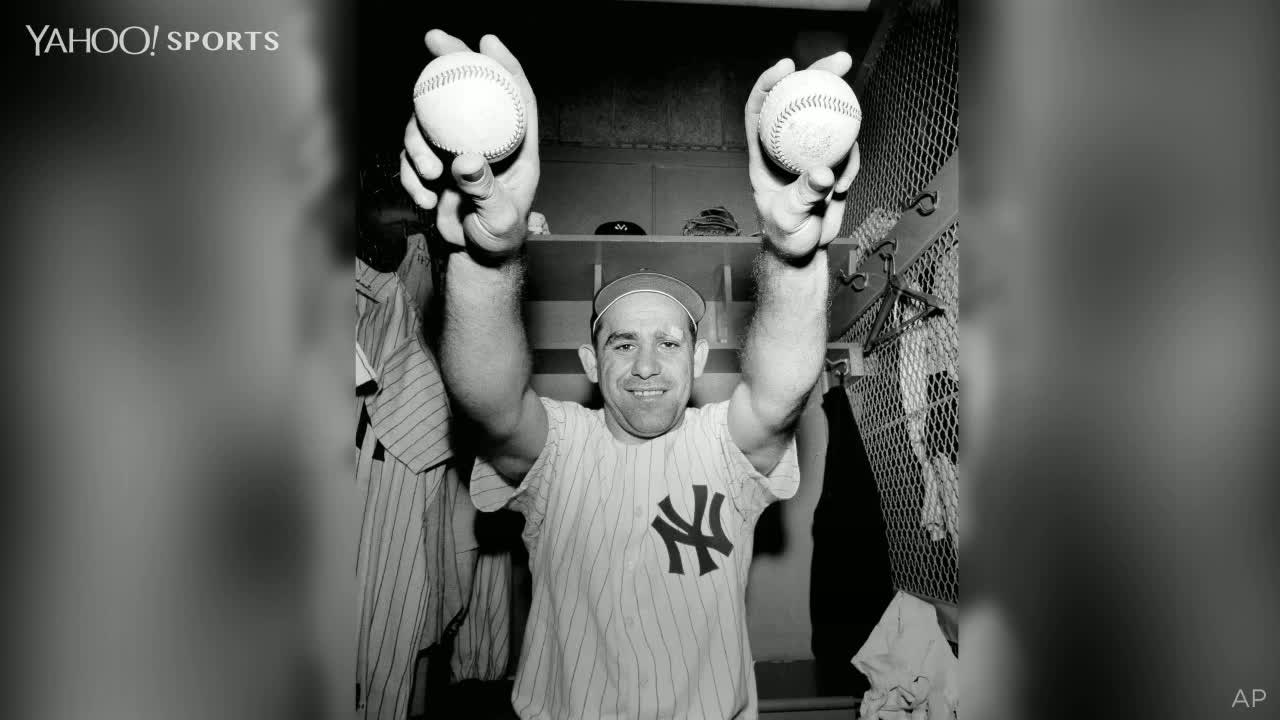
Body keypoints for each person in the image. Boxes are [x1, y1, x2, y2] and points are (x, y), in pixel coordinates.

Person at [400, 29, 860, 720]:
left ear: (699, 358)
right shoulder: (561, 448)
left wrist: (792, 257)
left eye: (669, 343)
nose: (646, 365)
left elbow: (782, 388)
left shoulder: (722, 447)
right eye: (621, 344)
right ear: (589, 361)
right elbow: (490, 401)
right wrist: (486, 259)